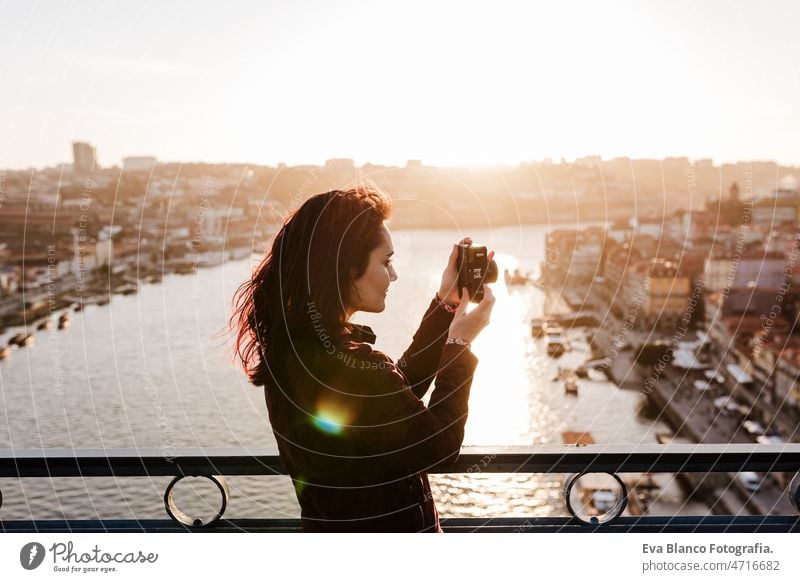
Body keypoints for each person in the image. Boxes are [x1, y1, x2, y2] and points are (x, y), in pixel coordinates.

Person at [230, 187, 495, 532]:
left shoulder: (297, 350)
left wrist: (446, 307)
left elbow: (391, 405)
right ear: (344, 268)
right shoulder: (350, 365)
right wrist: (458, 343)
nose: (394, 275)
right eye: (386, 262)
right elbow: (438, 447)